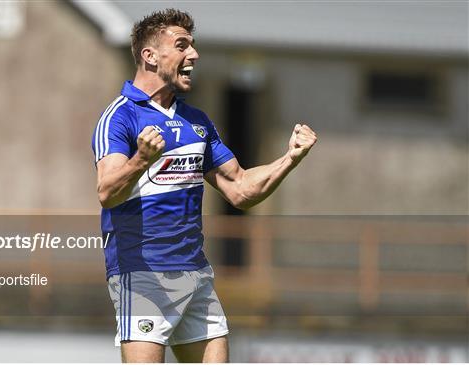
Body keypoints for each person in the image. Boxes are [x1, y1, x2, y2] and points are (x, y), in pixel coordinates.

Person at [92, 8, 317, 363]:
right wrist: (140, 160)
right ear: (150, 56)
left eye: (193, 46)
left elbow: (240, 188)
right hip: (144, 275)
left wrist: (290, 158)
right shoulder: (120, 116)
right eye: (182, 46)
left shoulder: (196, 121)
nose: (193, 55)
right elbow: (107, 191)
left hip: (196, 274)